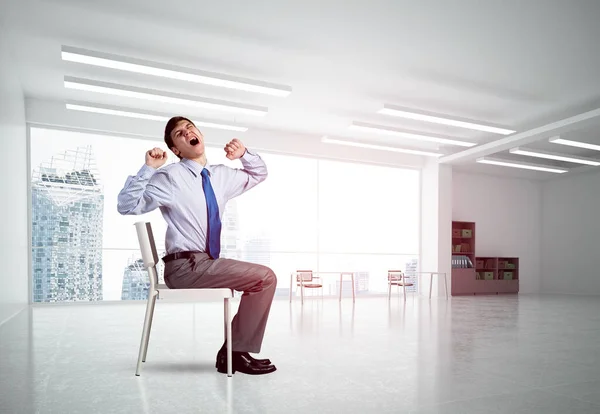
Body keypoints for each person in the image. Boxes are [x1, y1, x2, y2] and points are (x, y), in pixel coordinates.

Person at [117, 116, 277, 375]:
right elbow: (126, 206)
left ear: (199, 133)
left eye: (190, 127)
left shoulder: (220, 176)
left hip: (205, 263)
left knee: (262, 279)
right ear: (176, 150)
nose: (187, 131)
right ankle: (234, 354)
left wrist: (244, 154)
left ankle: (234, 352)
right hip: (184, 267)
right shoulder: (169, 177)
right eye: (179, 133)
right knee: (265, 278)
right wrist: (148, 169)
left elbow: (259, 173)